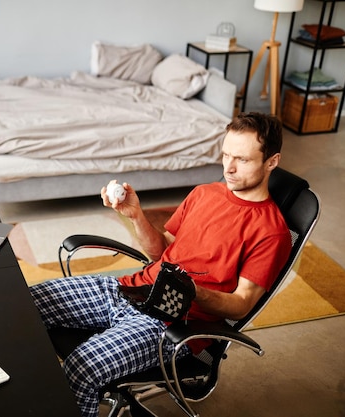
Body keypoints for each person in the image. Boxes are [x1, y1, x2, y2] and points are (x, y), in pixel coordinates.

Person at [29, 112, 292, 417]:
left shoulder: (271, 232)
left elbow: (241, 304)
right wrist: (136, 216)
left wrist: (193, 292)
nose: (228, 169)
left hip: (169, 325)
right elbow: (162, 250)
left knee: (82, 368)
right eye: (225, 155)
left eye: (242, 160)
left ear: (271, 161)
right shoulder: (204, 193)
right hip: (130, 288)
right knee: (26, 306)